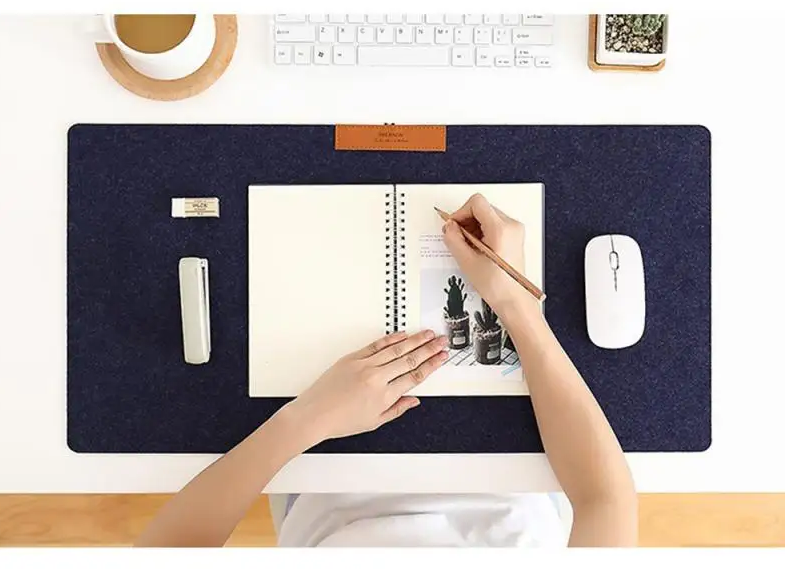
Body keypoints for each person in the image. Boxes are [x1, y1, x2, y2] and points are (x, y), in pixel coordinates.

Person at [136, 194, 637, 547]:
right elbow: (606, 499)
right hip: (522, 494)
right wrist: (515, 304)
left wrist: (307, 418)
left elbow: (168, 548)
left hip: (319, 484)